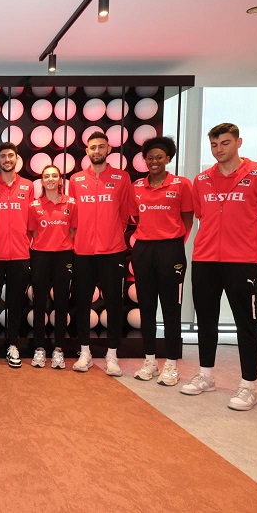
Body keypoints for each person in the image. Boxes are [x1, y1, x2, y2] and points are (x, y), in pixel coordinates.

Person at [180, 123, 257, 410]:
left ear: (238, 142)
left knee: (246, 323)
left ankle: (248, 386)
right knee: (206, 320)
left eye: (225, 143)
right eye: (214, 145)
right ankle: (205, 375)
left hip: (242, 262)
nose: (218, 150)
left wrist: (252, 243)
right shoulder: (202, 179)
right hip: (205, 259)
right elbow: (201, 215)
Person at [69, 131, 134, 376]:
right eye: (93, 147)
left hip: (113, 251)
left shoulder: (122, 177)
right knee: (82, 302)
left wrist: (111, 234)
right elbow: (72, 216)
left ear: (109, 149)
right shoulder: (76, 179)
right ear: (87, 151)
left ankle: (112, 355)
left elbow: (125, 214)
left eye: (101, 146)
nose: (97, 150)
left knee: (114, 303)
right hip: (83, 251)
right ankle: (84, 353)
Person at [130, 137, 194, 386]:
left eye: (159, 157)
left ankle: (171, 364)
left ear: (168, 158)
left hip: (171, 250)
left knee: (171, 309)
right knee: (146, 307)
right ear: (144, 160)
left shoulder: (181, 184)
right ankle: (150, 361)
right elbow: (135, 218)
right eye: (150, 157)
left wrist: (173, 242)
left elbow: (187, 219)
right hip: (143, 250)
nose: (154, 161)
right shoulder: (136, 186)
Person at [0, 142, 33, 369]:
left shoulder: (28, 186)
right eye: (3, 156)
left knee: (15, 303)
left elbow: (32, 221)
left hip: (20, 254)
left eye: (10, 155)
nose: (7, 159)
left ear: (16, 158)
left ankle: (13, 345)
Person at [28, 164, 76, 369]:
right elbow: (33, 232)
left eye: (54, 175)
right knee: (39, 302)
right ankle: (39, 348)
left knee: (62, 302)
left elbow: (73, 231)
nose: (50, 179)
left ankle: (58, 349)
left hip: (64, 256)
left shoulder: (71, 203)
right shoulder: (34, 205)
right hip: (40, 256)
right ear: (42, 180)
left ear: (59, 180)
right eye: (46, 176)